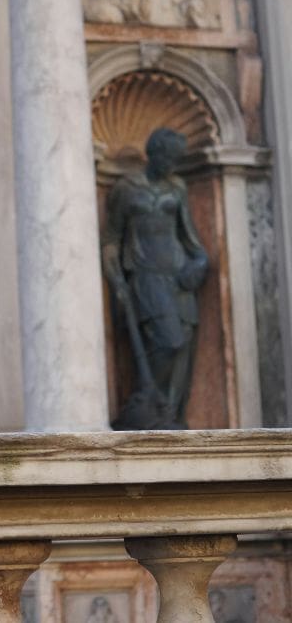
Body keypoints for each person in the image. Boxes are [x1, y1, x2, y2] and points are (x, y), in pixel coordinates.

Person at [102, 127, 207, 430]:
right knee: (169, 342)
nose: (173, 165)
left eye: (177, 160)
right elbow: (111, 238)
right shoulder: (126, 189)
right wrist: (115, 278)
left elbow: (189, 236)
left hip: (179, 277)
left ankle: (168, 414)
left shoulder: (176, 189)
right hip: (145, 278)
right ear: (154, 154)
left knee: (183, 346)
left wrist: (199, 263)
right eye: (170, 158)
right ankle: (146, 402)